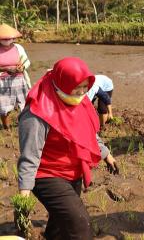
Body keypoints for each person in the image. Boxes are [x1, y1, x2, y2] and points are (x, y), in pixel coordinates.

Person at [17, 57, 118, 240]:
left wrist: (106, 154)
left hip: (72, 172)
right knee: (79, 224)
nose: (81, 92)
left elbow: (87, 132)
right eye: (76, 87)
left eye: (85, 87)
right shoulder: (37, 112)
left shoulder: (78, 100)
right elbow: (30, 155)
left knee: (61, 221)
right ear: (62, 82)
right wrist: (23, 193)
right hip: (47, 174)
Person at [0, 24, 31, 130]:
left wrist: (22, 67)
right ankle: (6, 127)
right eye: (4, 39)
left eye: (9, 38)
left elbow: (26, 61)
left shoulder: (18, 48)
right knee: (4, 107)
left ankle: (24, 124)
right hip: (3, 81)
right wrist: (6, 69)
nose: (7, 40)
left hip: (19, 80)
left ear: (13, 38)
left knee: (25, 104)